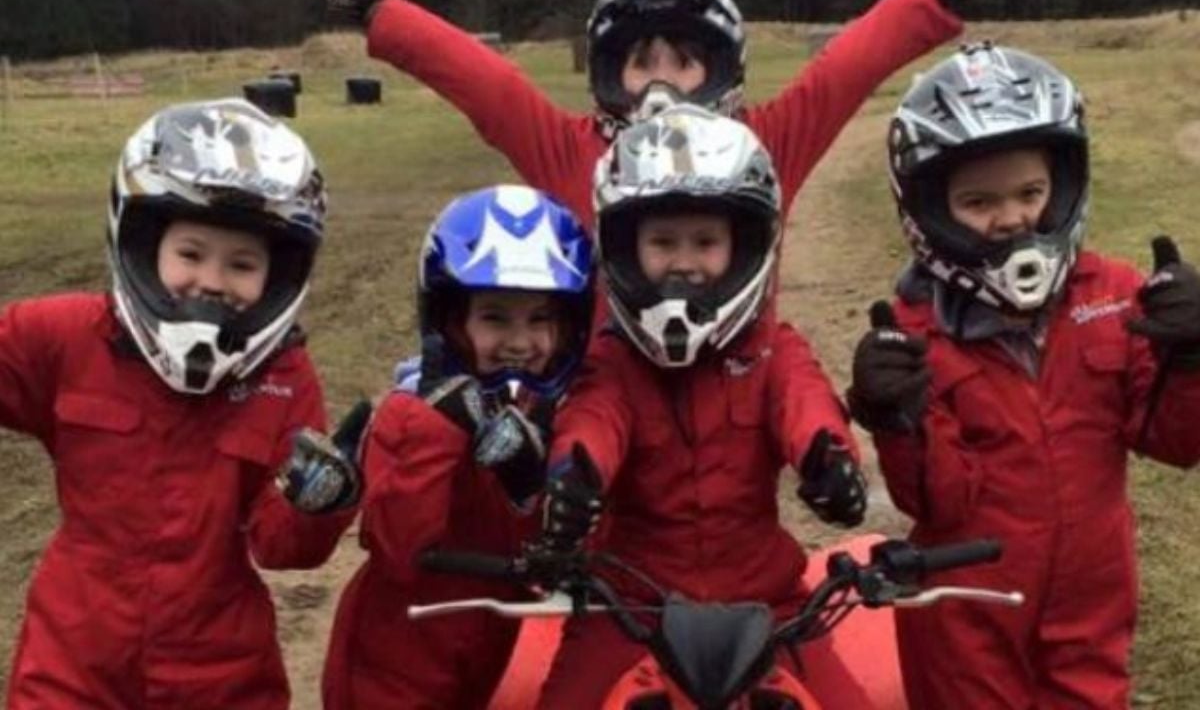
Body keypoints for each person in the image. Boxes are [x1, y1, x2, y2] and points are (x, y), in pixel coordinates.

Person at [847, 42, 1200, 709]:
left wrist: (1188, 360)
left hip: (1092, 596)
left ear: (1061, 187)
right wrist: (895, 417)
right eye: (978, 200)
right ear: (931, 210)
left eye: (1030, 193)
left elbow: (1175, 442)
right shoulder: (917, 332)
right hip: (968, 605)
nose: (1011, 217)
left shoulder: (1114, 296)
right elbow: (936, 502)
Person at [3, 98, 358, 709]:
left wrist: (319, 501)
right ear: (145, 245)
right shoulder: (71, 337)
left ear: (278, 275)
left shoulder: (284, 377)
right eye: (191, 254)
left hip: (219, 670)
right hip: (73, 665)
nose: (213, 281)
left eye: (242, 264)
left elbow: (281, 548)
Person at [533, 104, 869, 707]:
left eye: (706, 242)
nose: (684, 262)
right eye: (663, 242)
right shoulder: (611, 358)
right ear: (626, 248)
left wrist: (827, 456)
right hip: (629, 605)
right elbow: (594, 418)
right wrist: (575, 474)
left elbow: (804, 400)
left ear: (743, 247)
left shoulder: (771, 348)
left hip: (769, 602)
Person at [324, 0, 991, 231]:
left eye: (683, 60)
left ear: (720, 70)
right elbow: (487, 84)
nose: (661, 81)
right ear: (612, 75)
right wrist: (383, 13)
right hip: (604, 431)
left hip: (734, 433)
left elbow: (844, 70)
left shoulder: (764, 148)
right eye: (642, 62)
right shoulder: (572, 151)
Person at [322, 185, 595, 709]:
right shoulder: (408, 410)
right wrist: (436, 428)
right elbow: (398, 546)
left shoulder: (561, 412)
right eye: (495, 317)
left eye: (539, 319)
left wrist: (530, 487)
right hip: (399, 655)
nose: (520, 341)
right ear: (451, 321)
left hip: (497, 645)